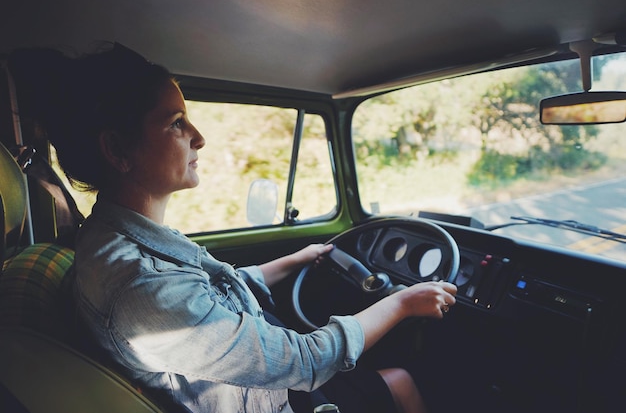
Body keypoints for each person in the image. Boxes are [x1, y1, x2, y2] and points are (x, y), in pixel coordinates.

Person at [8, 43, 457, 413]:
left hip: (257, 391)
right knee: (401, 382)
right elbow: (307, 359)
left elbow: (206, 305)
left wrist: (294, 260)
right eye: (175, 123)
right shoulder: (138, 285)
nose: (199, 137)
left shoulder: (121, 242)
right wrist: (402, 303)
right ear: (117, 150)